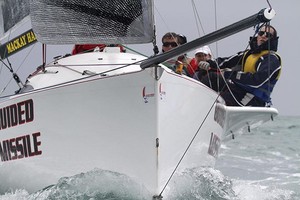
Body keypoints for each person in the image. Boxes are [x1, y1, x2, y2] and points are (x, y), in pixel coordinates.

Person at [201, 24, 282, 107]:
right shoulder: (248, 54)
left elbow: (257, 81)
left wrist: (230, 74)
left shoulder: (272, 59)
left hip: (253, 98)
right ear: (257, 35)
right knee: (211, 78)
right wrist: (210, 63)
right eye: (261, 33)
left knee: (220, 101)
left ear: (272, 40)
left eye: (268, 35)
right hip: (239, 89)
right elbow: (227, 61)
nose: (263, 36)